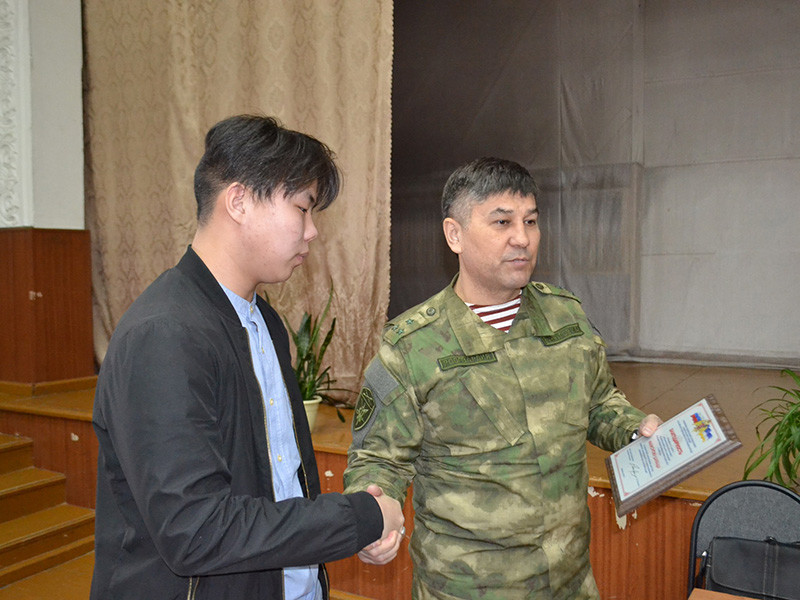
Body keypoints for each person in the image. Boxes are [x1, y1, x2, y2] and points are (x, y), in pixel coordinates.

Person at [91, 115, 404, 600]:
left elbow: (279, 483)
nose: (312, 232)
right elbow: (195, 530)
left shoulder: (263, 320)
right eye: (302, 208)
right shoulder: (165, 334)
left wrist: (344, 530)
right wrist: (355, 518)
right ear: (238, 201)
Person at [344, 157, 662, 599]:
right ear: (454, 234)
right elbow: (378, 460)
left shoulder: (565, 316)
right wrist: (374, 511)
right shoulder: (412, 346)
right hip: (469, 589)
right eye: (502, 222)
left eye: (530, 221)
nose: (522, 238)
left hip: (570, 583)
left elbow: (598, 402)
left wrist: (634, 428)